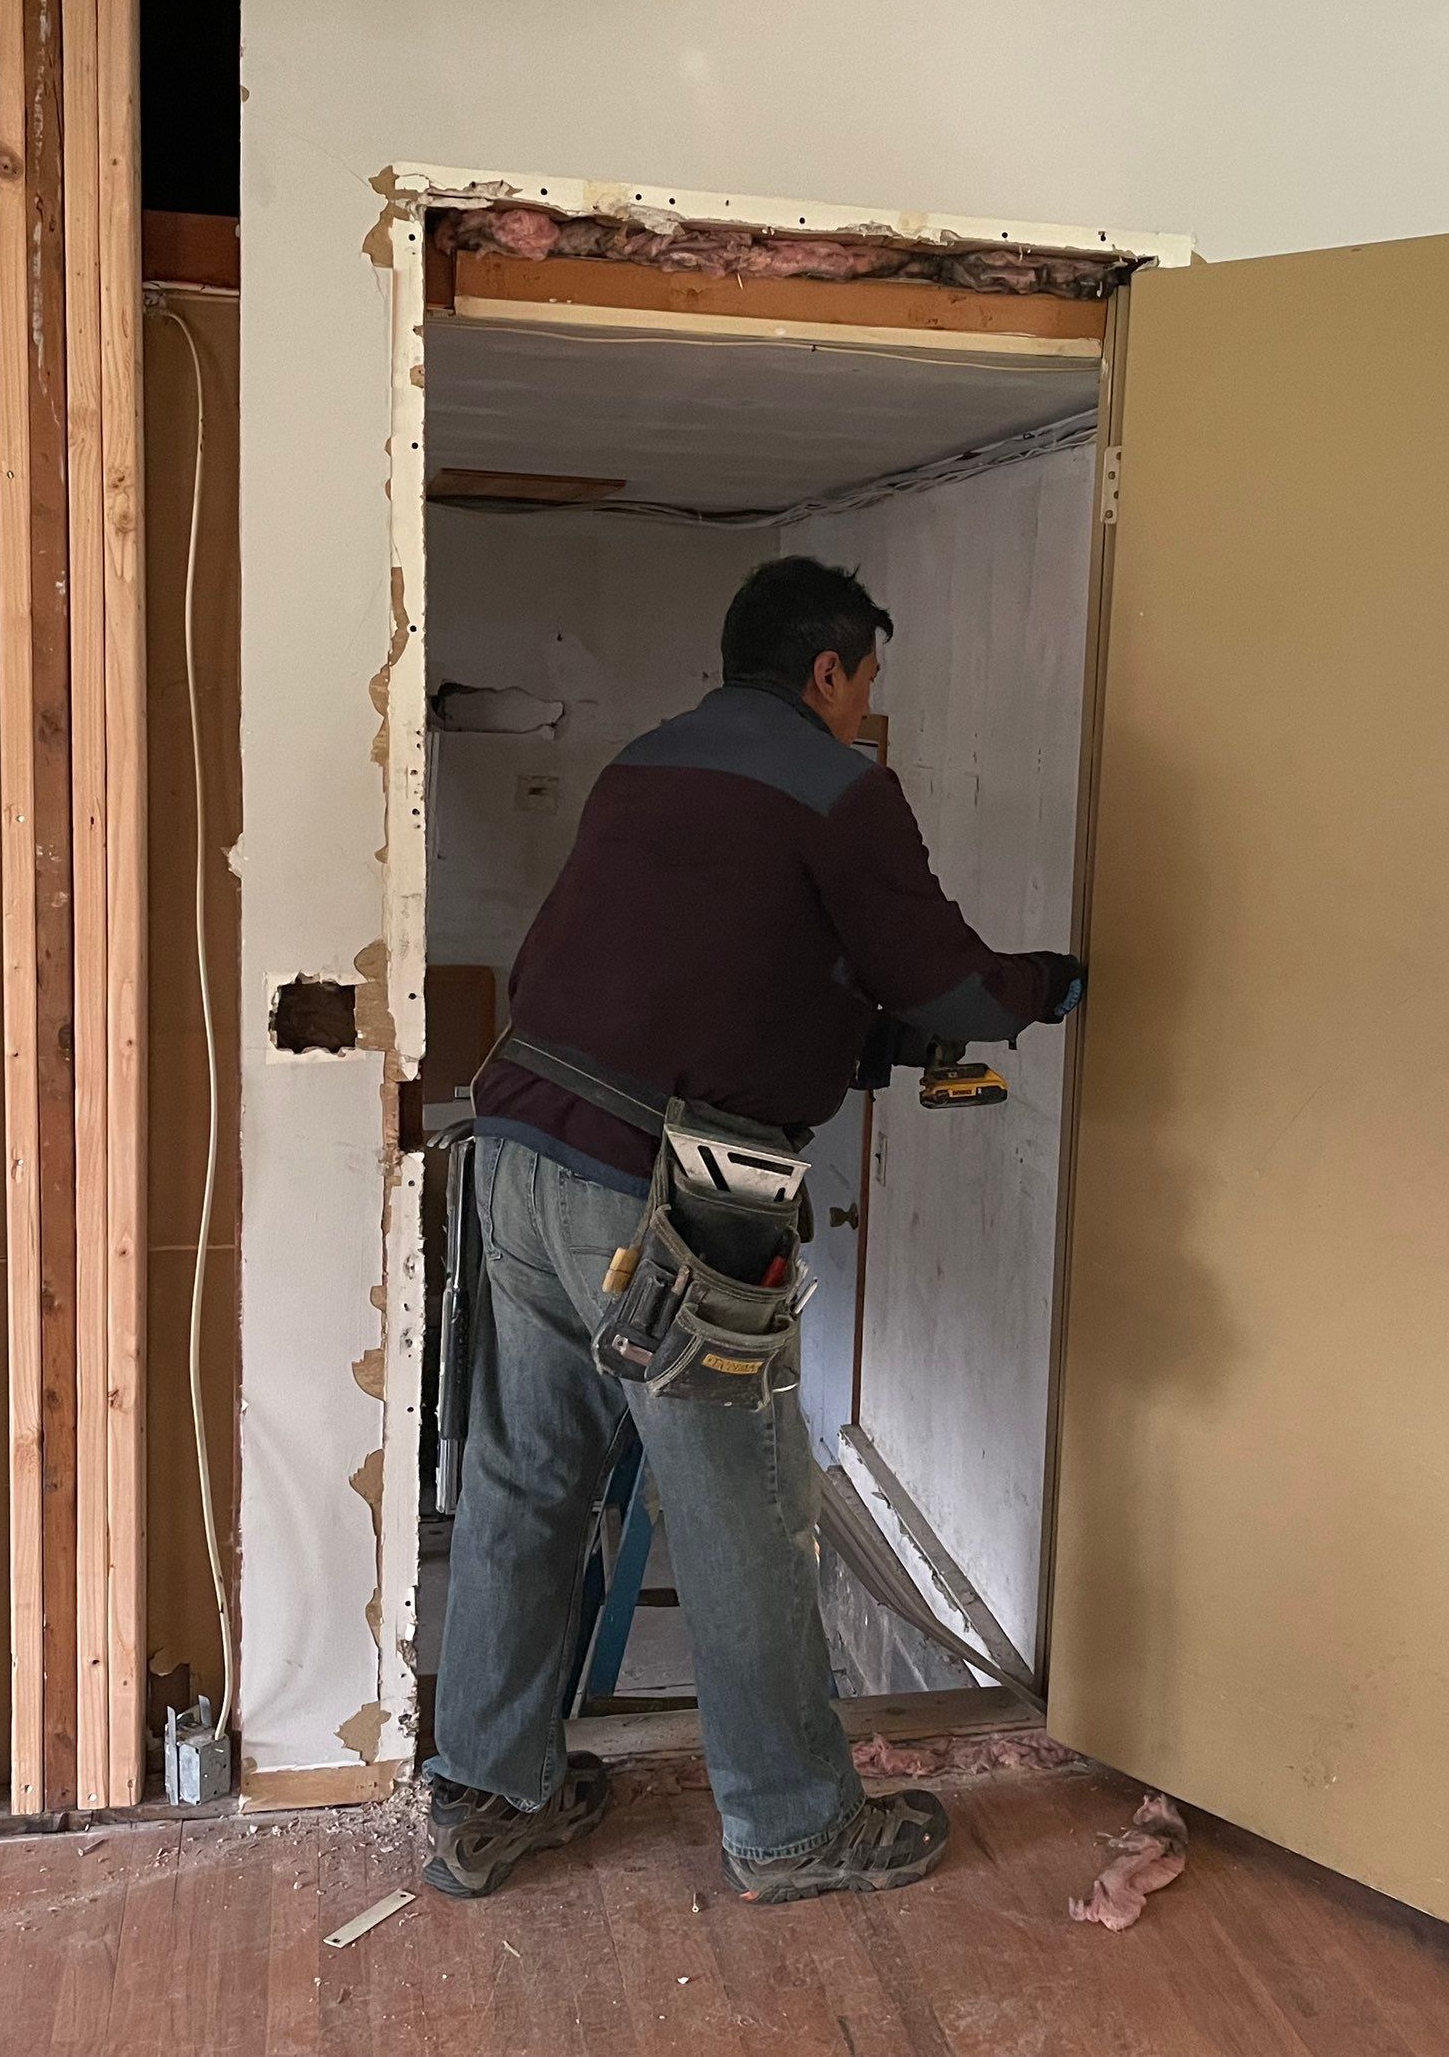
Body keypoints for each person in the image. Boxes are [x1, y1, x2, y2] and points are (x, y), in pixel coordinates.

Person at [423, 555, 1086, 1905]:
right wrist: (1045, 986)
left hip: (519, 1132)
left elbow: (714, 961)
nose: (857, 713)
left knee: (525, 1477)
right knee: (744, 1509)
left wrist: (851, 1023)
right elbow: (948, 981)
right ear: (830, 671)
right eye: (860, 687)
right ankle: (790, 1826)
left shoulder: (643, 765)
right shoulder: (841, 784)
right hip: (689, 1174)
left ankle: (494, 1793)